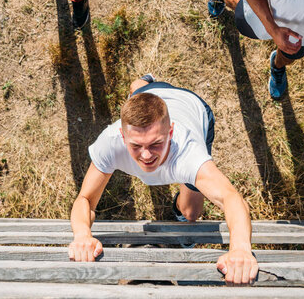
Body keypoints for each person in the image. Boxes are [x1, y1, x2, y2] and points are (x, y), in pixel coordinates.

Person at [68, 75, 259, 286]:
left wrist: (240, 249)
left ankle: (146, 88)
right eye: (136, 146)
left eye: (155, 144)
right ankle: (142, 84)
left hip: (192, 107)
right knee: (141, 91)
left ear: (171, 132)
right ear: (123, 137)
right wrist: (83, 235)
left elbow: (231, 198)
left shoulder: (189, 152)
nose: (147, 156)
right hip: (149, 95)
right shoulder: (110, 141)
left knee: (190, 212)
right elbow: (85, 199)